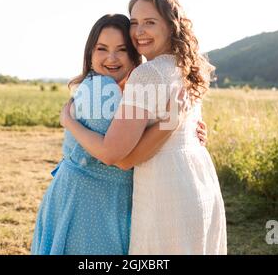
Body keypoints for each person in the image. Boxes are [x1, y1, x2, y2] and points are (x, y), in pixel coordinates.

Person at [60, 0, 227, 254]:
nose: (139, 31)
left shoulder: (148, 74)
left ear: (172, 25)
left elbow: (119, 157)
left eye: (150, 22)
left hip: (165, 189)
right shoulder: (188, 68)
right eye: (135, 22)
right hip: (200, 183)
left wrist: (68, 122)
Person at [31, 14, 207, 255]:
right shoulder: (101, 89)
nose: (111, 58)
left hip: (100, 199)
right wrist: (171, 123)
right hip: (90, 203)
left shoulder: (123, 89)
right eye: (102, 49)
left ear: (134, 54)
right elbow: (115, 154)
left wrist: (184, 132)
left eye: (122, 50)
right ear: (90, 54)